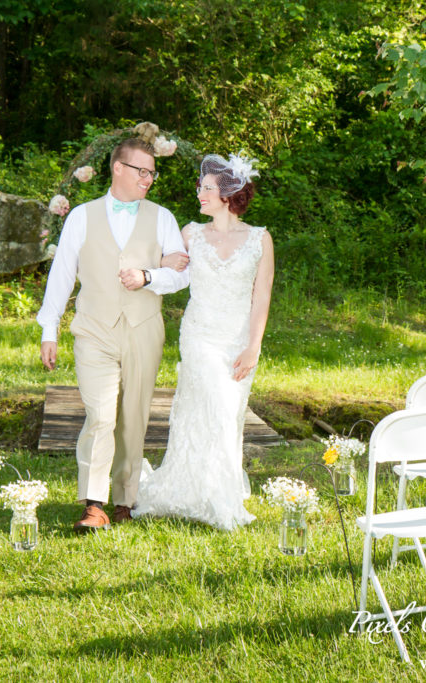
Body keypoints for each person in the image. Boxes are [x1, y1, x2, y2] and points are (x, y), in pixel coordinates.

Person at [37, 138, 189, 532]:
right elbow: (62, 274)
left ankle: (125, 498)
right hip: (94, 328)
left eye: (152, 173)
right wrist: (49, 329)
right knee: (101, 415)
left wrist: (149, 275)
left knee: (134, 416)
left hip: (143, 327)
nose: (149, 179)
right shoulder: (83, 217)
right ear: (117, 168)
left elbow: (182, 273)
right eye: (142, 171)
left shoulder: (162, 218)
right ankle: (94, 503)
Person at [133, 153, 274, 530]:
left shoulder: (260, 239)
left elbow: (261, 297)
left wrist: (254, 346)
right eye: (201, 187)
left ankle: (205, 488)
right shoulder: (191, 233)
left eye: (207, 188)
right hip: (199, 336)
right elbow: (173, 276)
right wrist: (146, 276)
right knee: (215, 402)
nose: (200, 193)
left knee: (226, 413)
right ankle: (221, 503)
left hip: (238, 339)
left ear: (229, 194)